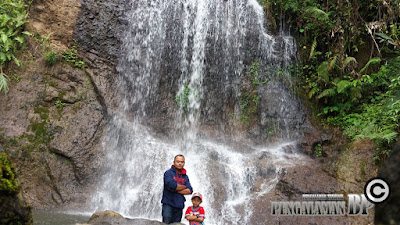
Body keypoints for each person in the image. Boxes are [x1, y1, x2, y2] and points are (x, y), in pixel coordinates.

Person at [161, 154, 193, 224]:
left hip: (179, 206)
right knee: (166, 223)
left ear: (184, 163)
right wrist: (184, 186)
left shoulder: (185, 176)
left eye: (182, 162)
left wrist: (175, 189)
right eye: (178, 161)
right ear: (174, 162)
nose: (180, 163)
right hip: (168, 204)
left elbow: (190, 190)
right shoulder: (168, 173)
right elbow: (171, 185)